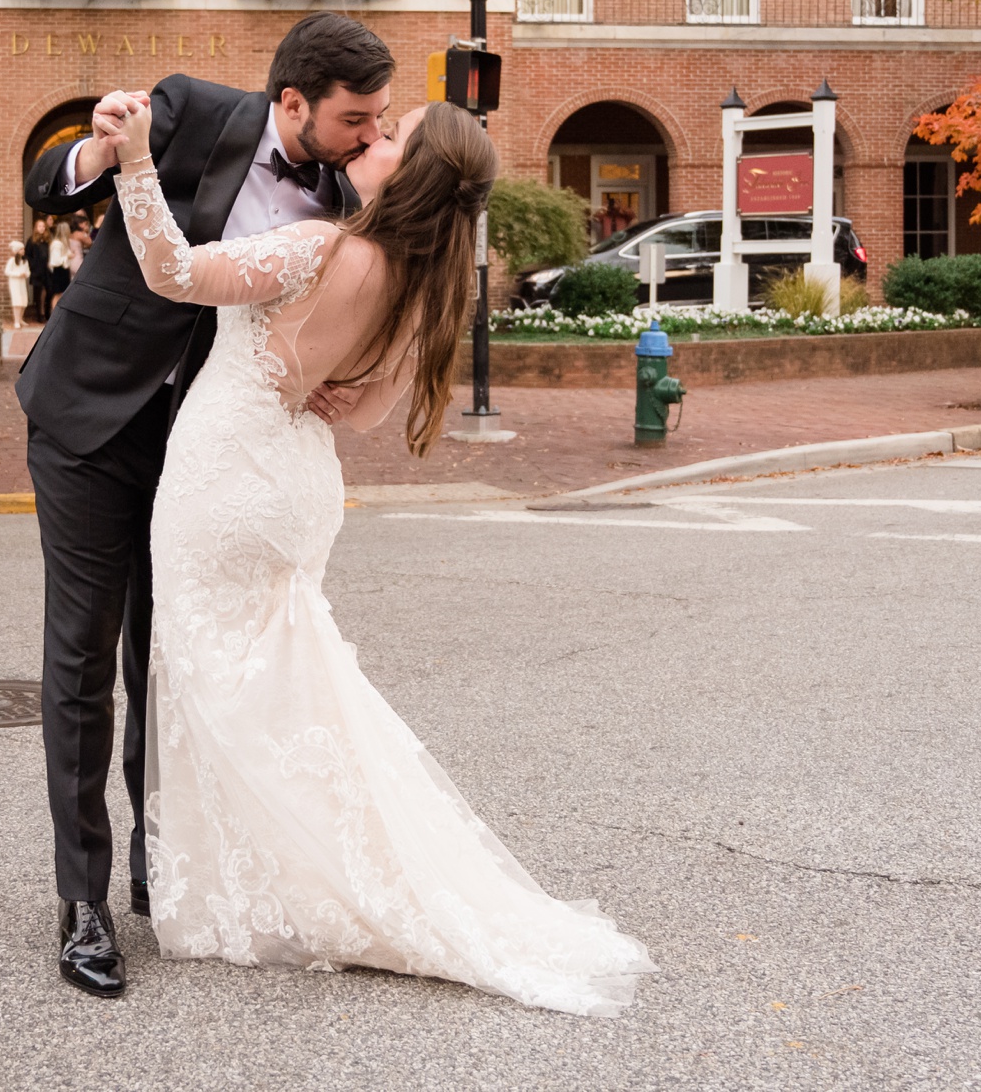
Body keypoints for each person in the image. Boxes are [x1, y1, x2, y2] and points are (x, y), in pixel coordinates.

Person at [108, 96, 655, 1017]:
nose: (374, 139)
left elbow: (170, 271)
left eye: (392, 135)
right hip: (301, 485)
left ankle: (253, 884)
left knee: (213, 680)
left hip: (227, 472)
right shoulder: (422, 286)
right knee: (286, 684)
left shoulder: (323, 247)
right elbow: (360, 413)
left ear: (408, 173)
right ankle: (298, 869)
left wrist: (132, 162)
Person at [18, 11, 393, 999]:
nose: (366, 135)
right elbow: (48, 183)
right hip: (90, 421)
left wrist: (329, 378)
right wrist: (102, 145)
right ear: (292, 102)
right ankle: (83, 900)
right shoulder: (188, 111)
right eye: (356, 117)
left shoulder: (343, 201)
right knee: (83, 650)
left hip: (206, 454)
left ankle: (161, 866)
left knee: (172, 655)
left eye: (378, 120)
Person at [26, 218, 52, 321]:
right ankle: (40, 314)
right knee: (39, 293)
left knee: (48, 292)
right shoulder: (32, 240)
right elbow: (27, 255)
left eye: (43, 226)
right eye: (39, 226)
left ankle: (47, 312)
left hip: (47, 271)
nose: (41, 228)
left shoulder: (48, 240)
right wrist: (33, 265)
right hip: (37, 271)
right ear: (36, 228)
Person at [4, 240, 31, 330]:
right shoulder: (12, 261)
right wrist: (18, 274)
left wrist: (25, 274)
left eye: (23, 249)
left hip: (22, 283)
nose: (23, 251)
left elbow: (28, 271)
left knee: (23, 301)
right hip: (14, 283)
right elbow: (7, 272)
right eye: (21, 249)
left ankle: (20, 319)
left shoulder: (24, 261)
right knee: (17, 301)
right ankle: (16, 320)